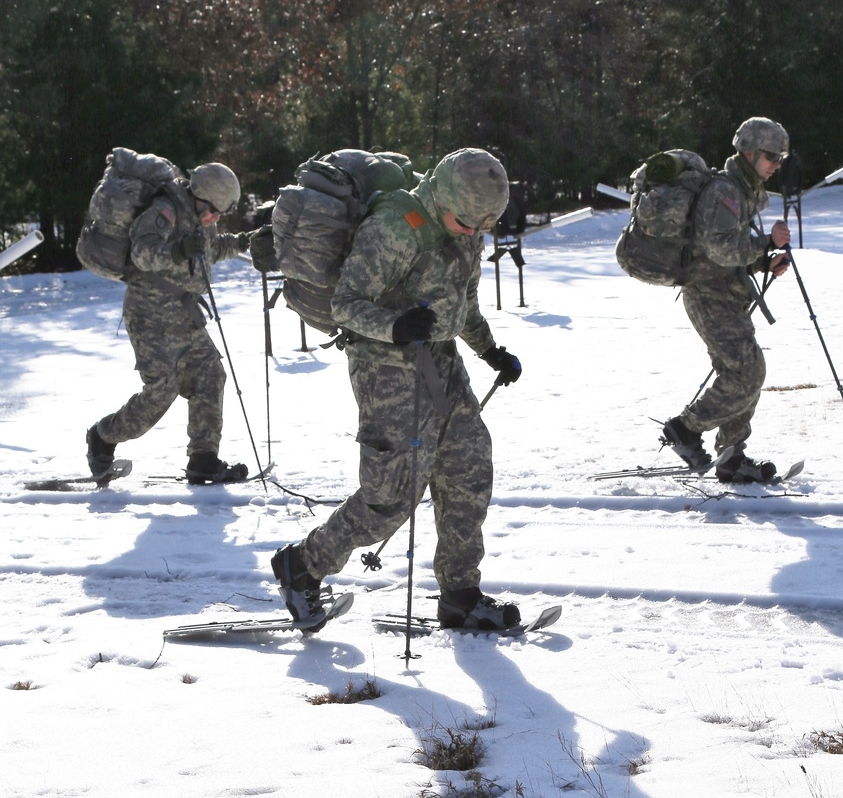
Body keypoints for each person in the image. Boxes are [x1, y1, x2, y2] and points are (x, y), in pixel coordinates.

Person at [270, 148, 523, 631]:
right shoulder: (394, 229)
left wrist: (490, 351)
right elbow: (345, 304)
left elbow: (463, 305)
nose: (470, 233)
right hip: (386, 369)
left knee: (468, 471)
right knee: (389, 499)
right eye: (464, 222)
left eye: (478, 227)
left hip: (441, 362)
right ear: (443, 197)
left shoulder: (465, 229)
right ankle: (303, 565)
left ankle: (460, 595)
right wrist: (396, 326)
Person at [86, 162, 265, 484]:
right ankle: (102, 436)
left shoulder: (201, 217)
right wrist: (179, 250)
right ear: (199, 197)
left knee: (211, 374)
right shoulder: (164, 210)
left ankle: (203, 459)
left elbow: (211, 249)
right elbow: (143, 255)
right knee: (160, 393)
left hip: (184, 315)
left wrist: (245, 240)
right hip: (150, 316)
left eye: (219, 214)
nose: (215, 218)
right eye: (213, 211)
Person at [660, 117, 792, 483]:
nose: (776, 164)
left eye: (781, 158)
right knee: (748, 371)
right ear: (748, 153)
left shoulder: (742, 189)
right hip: (708, 294)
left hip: (725, 293)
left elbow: (730, 251)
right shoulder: (725, 190)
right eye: (770, 156)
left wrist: (765, 262)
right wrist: (766, 243)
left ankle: (732, 456)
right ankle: (684, 429)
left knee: (742, 370)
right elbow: (718, 249)